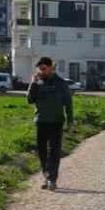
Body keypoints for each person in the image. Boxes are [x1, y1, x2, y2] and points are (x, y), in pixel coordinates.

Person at [26, 56, 73, 190]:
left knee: (54, 151)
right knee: (42, 151)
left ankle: (52, 179)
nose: (41, 71)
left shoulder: (61, 83)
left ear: (51, 68)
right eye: (40, 69)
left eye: (44, 69)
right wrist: (33, 84)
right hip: (41, 121)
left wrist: (70, 121)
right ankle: (46, 176)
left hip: (56, 121)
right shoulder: (37, 82)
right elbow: (30, 100)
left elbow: (68, 103)